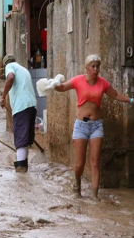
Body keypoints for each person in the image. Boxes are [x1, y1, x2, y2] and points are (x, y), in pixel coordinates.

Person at [53, 54, 133, 200]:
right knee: (79, 164)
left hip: (97, 125)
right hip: (81, 126)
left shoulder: (102, 83)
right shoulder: (78, 80)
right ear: (87, 68)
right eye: (93, 66)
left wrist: (131, 99)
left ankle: (95, 195)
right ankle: (76, 185)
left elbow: (115, 94)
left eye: (98, 66)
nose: (96, 69)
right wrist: (52, 84)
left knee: (95, 162)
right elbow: (63, 87)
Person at [0, 54, 37, 173]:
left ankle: (20, 170)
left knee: (20, 138)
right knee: (25, 139)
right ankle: (24, 168)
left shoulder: (9, 66)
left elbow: (10, 78)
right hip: (32, 106)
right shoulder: (23, 69)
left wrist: (3, 96)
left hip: (21, 107)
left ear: (5, 64)